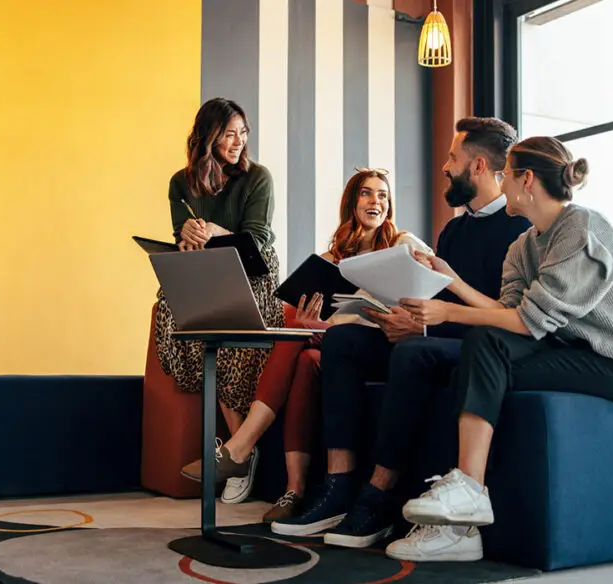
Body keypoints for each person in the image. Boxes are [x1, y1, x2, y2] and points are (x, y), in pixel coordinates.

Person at [386, 136, 613, 562]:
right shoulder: (523, 246)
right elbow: (508, 312)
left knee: (483, 352)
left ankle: (467, 495)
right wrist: (451, 280)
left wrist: (447, 312)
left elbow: (526, 322)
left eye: (506, 175)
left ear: (527, 180)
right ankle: (461, 525)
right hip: (572, 353)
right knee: (474, 362)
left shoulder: (581, 229)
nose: (500, 184)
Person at [271, 117, 531, 548]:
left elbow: (506, 317)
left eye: (452, 158)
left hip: (480, 346)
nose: (445, 166)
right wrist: (398, 318)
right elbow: (431, 295)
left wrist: (422, 327)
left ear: (478, 166)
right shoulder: (454, 230)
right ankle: (338, 486)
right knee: (343, 341)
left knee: (412, 352)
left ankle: (378, 497)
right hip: (437, 334)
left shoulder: (520, 229)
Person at [179, 168, 432, 516]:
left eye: (383, 195)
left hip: (386, 345)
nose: (376, 201)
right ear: (352, 202)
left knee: (299, 333)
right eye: (366, 193)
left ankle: (241, 447)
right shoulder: (330, 260)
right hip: (339, 347)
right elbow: (329, 323)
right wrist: (313, 322)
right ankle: (293, 490)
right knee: (302, 350)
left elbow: (430, 291)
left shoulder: (403, 244)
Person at [153, 98, 284, 505]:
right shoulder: (181, 182)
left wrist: (214, 231)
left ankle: (237, 452)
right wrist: (188, 236)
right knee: (175, 310)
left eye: (243, 133)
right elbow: (181, 234)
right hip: (207, 269)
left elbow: (257, 240)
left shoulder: (258, 177)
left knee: (226, 332)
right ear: (208, 137)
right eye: (229, 134)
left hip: (253, 272)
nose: (238, 141)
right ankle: (241, 452)